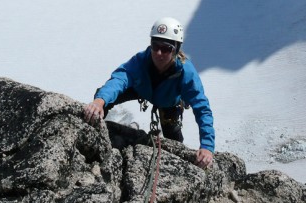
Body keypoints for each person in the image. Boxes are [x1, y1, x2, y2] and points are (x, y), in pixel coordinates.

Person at [84, 17, 215, 169]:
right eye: (155, 46)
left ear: (176, 49)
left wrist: (206, 146)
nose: (159, 53)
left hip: (169, 103)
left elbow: (202, 108)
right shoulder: (141, 60)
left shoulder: (186, 72)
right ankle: (95, 131)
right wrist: (100, 101)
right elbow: (119, 79)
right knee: (104, 95)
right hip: (142, 90)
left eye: (166, 48)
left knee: (173, 138)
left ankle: (179, 167)